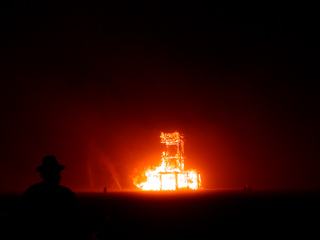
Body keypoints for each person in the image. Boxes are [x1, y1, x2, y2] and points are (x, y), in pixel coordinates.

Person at [20, 155, 79, 240]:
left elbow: (23, 218)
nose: (59, 175)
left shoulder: (32, 192)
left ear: (42, 174)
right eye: (57, 172)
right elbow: (75, 221)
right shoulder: (67, 194)